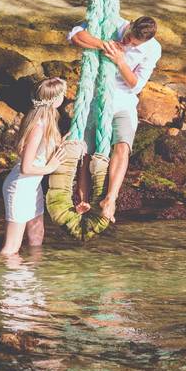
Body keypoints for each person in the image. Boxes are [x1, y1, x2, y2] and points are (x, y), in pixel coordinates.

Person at [68, 16, 161, 223]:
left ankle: (110, 199)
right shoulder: (111, 23)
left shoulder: (153, 49)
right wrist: (105, 45)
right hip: (95, 98)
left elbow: (136, 86)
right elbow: (74, 35)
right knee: (85, 152)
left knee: (122, 146)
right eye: (128, 37)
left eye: (134, 44)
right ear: (130, 25)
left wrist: (119, 60)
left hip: (123, 101)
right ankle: (83, 199)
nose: (128, 43)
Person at [0, 77, 69, 256]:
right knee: (11, 248)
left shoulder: (48, 122)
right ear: (54, 100)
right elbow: (26, 168)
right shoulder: (38, 127)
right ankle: (4, 280)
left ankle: (33, 277)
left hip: (32, 186)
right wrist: (50, 167)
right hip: (21, 186)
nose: (65, 96)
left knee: (37, 236)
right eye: (63, 94)